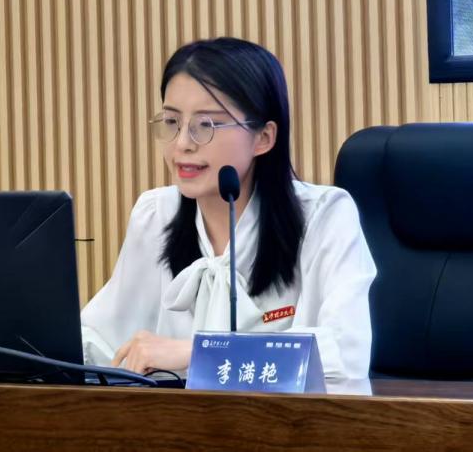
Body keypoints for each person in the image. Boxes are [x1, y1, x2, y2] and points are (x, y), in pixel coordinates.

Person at [80, 37, 376, 382]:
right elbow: (98, 336)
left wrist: (197, 352)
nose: (183, 144)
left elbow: (343, 353)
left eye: (206, 125)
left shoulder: (324, 216)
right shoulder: (156, 214)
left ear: (263, 137)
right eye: (172, 122)